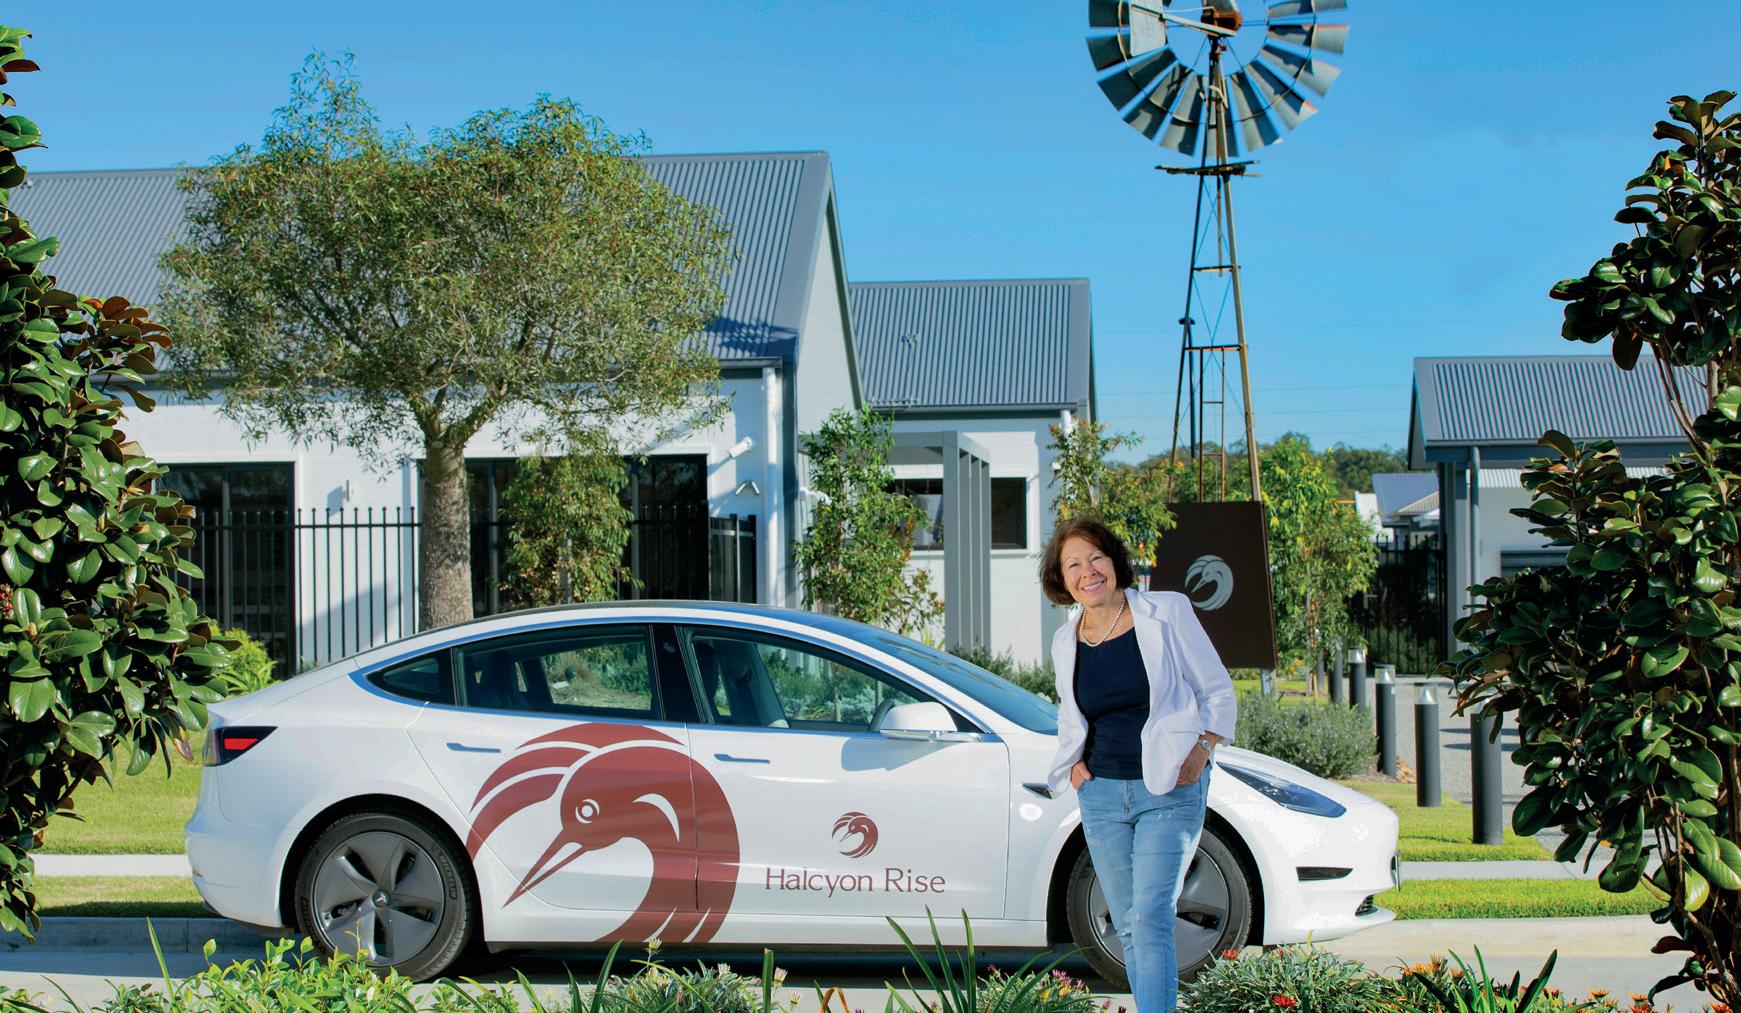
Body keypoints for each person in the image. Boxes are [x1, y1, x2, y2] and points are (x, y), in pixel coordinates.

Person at [1041, 517, 1237, 1013]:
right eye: (1074, 565)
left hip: (1168, 788)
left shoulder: (1166, 611)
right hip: (1102, 796)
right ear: (1062, 580)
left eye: (1096, 558)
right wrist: (1073, 767)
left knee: (1150, 917)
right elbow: (1071, 715)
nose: (1088, 572)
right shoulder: (1066, 640)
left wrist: (1203, 749)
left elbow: (1216, 689)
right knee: (1129, 923)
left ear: (1115, 561)